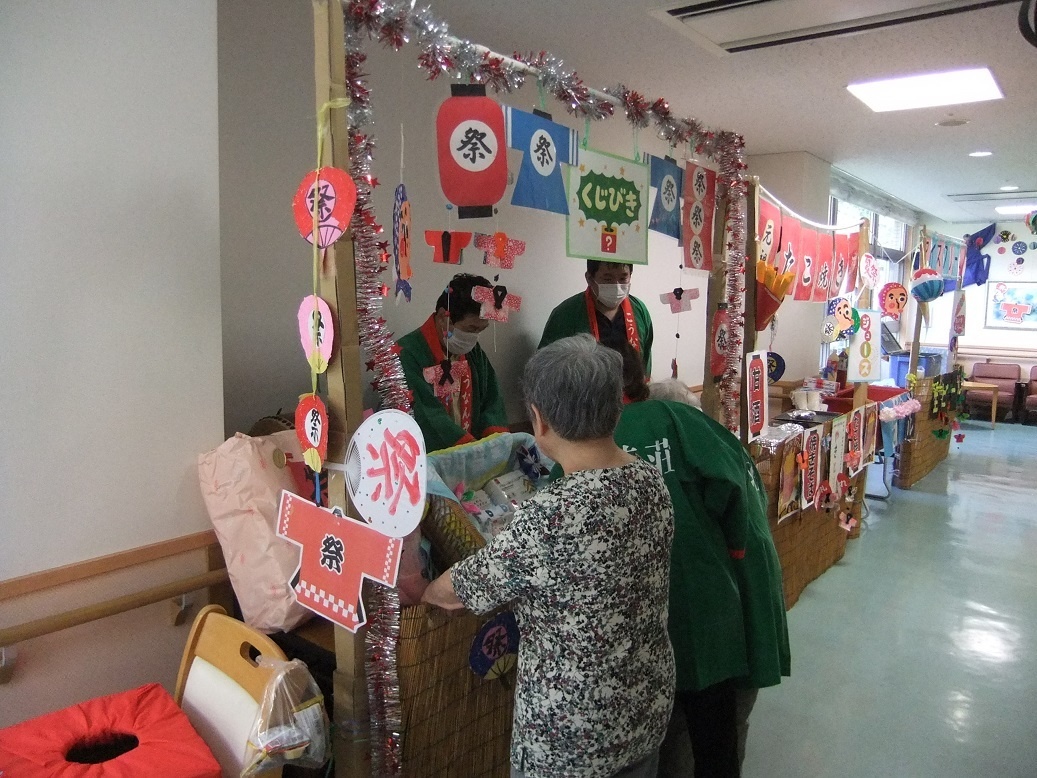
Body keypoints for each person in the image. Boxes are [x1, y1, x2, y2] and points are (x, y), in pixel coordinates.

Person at [422, 335, 676, 778]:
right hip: (644, 709)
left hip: (570, 739)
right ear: (616, 407)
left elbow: (457, 591)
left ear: (538, 420)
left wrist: (423, 590)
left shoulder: (551, 514)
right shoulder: (649, 480)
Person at [611, 348, 790, 777]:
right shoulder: (687, 423)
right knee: (716, 729)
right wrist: (737, 552)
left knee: (666, 733)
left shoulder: (595, 440)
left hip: (651, 613)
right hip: (716, 598)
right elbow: (738, 497)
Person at [397, 273, 509, 452]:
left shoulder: (473, 351)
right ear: (443, 316)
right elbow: (426, 414)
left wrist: (493, 444)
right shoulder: (408, 353)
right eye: (471, 328)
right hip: (429, 459)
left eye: (481, 330)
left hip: (473, 452)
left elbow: (491, 399)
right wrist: (468, 448)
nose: (474, 337)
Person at [538, 260, 654, 375]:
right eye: (607, 279)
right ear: (589, 278)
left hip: (631, 391)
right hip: (583, 391)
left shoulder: (639, 310)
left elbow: (645, 362)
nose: (617, 286)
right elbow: (545, 368)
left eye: (623, 279)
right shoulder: (566, 313)